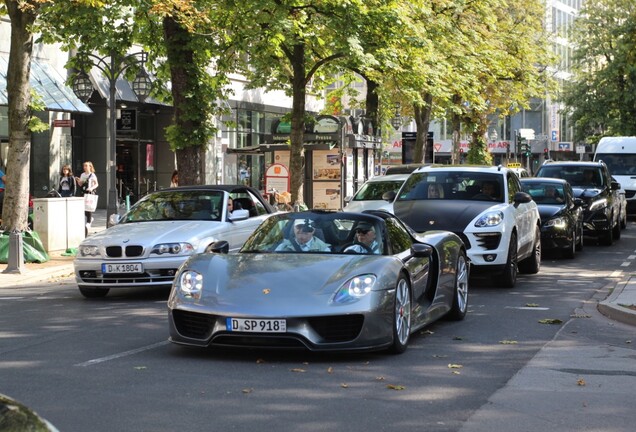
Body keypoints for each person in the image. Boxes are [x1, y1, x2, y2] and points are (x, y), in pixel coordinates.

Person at [76, 161, 99, 236]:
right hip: (84, 192)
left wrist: (91, 188)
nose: (85, 167)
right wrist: (78, 180)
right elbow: (80, 184)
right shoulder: (82, 174)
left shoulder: (92, 175)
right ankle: (89, 219)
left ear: (90, 167)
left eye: (86, 166)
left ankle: (89, 221)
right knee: (84, 207)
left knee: (89, 207)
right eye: (84, 166)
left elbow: (96, 184)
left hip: (90, 193)